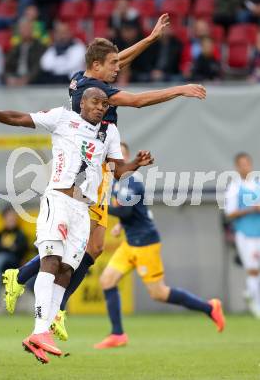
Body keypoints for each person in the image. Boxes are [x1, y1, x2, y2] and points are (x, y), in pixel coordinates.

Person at [2, 15, 206, 341]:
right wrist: (180, 89)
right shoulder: (94, 92)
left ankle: (30, 285)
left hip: (100, 167)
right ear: (98, 66)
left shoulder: (81, 78)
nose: (119, 67)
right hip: (91, 174)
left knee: (92, 248)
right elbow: (137, 101)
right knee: (86, 247)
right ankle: (50, 304)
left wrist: (151, 39)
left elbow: (118, 57)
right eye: (112, 64)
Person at [0, 87, 154, 364]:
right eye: (95, 102)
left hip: (82, 210)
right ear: (82, 103)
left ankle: (42, 333)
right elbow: (19, 118)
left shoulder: (109, 133)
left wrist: (136, 163)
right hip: (58, 200)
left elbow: (116, 171)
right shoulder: (63, 118)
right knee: (51, 259)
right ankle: (39, 330)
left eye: (105, 103)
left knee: (66, 269)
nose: (100, 107)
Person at [94, 142, 225, 349]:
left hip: (146, 243)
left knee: (159, 293)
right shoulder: (116, 181)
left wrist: (99, 205)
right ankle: (118, 334)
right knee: (107, 280)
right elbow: (133, 211)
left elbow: (127, 211)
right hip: (130, 242)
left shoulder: (132, 181)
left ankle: (209, 307)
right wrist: (121, 225)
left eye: (119, 156)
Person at [225, 153, 260, 318]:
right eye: (241, 164)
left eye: (247, 163)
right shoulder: (235, 187)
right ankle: (255, 304)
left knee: (257, 270)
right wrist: (252, 209)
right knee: (253, 269)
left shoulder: (258, 184)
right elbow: (230, 213)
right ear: (237, 167)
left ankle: (250, 294)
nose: (245, 167)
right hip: (245, 233)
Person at [5, 18, 46, 86]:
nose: (25, 31)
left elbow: (38, 67)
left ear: (32, 30)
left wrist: (27, 79)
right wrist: (9, 77)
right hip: (16, 79)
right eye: (22, 28)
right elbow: (7, 66)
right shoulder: (15, 48)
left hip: (32, 81)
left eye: (27, 28)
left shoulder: (40, 47)